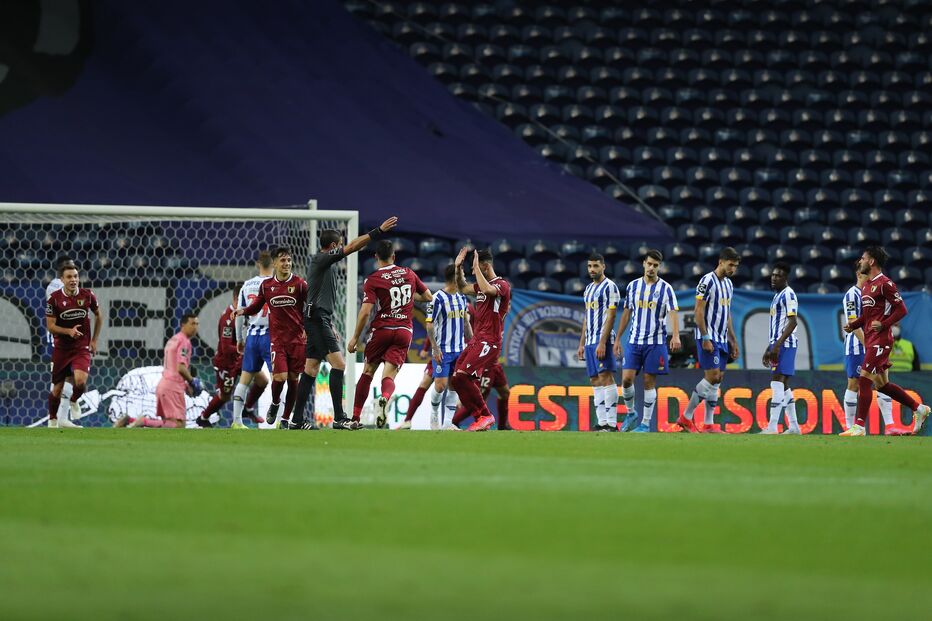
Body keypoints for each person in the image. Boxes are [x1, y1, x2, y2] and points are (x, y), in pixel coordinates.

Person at [291, 216, 399, 431]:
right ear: (333, 246)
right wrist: (377, 231)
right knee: (339, 365)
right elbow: (351, 247)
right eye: (339, 245)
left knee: (311, 368)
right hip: (316, 318)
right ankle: (339, 418)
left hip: (319, 318)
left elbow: (317, 298)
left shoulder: (324, 266)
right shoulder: (320, 259)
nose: (342, 248)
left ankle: (296, 419)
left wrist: (328, 324)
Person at [842, 246, 930, 436]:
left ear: (872, 261)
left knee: (864, 380)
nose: (860, 261)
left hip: (881, 340)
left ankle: (858, 426)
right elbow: (866, 316)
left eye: (863, 258)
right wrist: (853, 324)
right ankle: (919, 409)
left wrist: (884, 324)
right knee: (882, 385)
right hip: (871, 338)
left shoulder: (885, 284)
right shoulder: (866, 286)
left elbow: (902, 310)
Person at [348, 240, 431, 428]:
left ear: (376, 257)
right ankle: (384, 398)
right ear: (394, 256)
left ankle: (354, 418)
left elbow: (365, 311)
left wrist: (355, 337)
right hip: (403, 331)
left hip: (382, 330)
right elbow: (427, 297)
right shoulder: (408, 273)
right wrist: (409, 297)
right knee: (389, 376)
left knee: (368, 371)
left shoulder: (373, 279)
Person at [234, 246, 308, 428]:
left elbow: (311, 307)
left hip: (297, 340)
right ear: (274, 263)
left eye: (289, 260)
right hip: (277, 341)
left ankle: (284, 419)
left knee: (293, 380)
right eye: (283, 260)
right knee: (279, 377)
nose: (287, 263)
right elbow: (257, 305)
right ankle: (275, 404)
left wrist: (315, 326)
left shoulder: (300, 284)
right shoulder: (266, 286)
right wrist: (242, 311)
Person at [613, 249, 681, 433]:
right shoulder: (633, 286)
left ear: (659, 267)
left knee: (648, 381)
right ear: (644, 263)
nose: (651, 268)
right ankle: (631, 413)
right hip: (634, 341)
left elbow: (673, 311)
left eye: (655, 265)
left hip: (656, 342)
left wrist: (675, 335)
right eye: (649, 264)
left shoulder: (666, 288)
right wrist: (618, 338)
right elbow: (626, 313)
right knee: (626, 380)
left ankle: (645, 423)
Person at [677, 247, 740, 433]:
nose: (733, 269)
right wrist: (705, 337)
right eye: (730, 265)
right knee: (711, 376)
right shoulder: (706, 281)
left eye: (735, 266)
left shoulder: (729, 285)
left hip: (722, 338)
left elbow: (726, 314)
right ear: (721, 262)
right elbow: (698, 311)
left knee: (718, 378)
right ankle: (686, 417)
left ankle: (709, 424)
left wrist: (733, 340)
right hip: (708, 337)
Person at [449, 247, 512, 432]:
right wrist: (457, 268)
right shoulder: (480, 287)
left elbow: (488, 289)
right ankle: (482, 418)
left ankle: (484, 415)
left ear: (485, 266)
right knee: (457, 378)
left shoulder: (502, 285)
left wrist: (476, 268)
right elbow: (462, 287)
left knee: (463, 376)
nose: (472, 271)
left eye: (475, 267)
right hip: (477, 339)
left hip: (489, 340)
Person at [840, 266, 900, 435]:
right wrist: (869, 345)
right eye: (867, 274)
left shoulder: (872, 291)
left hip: (875, 344)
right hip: (857, 345)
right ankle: (849, 426)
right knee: (854, 383)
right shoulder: (852, 295)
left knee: (882, 382)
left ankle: (890, 426)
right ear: (859, 274)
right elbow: (854, 325)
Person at [45, 262, 102, 428]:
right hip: (61, 347)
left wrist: (94, 340)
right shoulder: (54, 297)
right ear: (61, 279)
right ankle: (54, 419)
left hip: (81, 346)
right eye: (69, 277)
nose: (73, 279)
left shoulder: (87, 295)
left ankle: (72, 402)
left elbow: (99, 315)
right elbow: (50, 326)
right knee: (57, 388)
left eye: (76, 276)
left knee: (80, 382)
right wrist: (68, 331)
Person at [131, 313, 202, 428]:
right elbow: (180, 367)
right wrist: (192, 381)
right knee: (178, 425)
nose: (195, 327)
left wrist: (185, 385)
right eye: (192, 323)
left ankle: (131, 420)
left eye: (197, 324)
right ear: (183, 325)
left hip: (165, 385)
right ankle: (143, 421)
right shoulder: (184, 342)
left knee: (168, 425)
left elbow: (173, 368)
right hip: (173, 388)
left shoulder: (173, 340)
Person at [577, 253, 621, 432]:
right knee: (594, 379)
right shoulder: (588, 289)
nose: (592, 270)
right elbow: (587, 318)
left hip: (603, 340)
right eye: (589, 266)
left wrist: (602, 342)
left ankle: (611, 423)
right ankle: (601, 422)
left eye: (595, 266)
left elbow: (611, 316)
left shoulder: (610, 287)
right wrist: (581, 343)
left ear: (603, 267)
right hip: (589, 341)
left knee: (605, 377)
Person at [230, 251, 274, 429]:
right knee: (278, 378)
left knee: (244, 380)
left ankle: (237, 421)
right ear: (274, 264)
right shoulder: (275, 284)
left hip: (252, 336)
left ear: (258, 264)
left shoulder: (246, 285)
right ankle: (280, 420)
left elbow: (239, 315)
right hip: (271, 335)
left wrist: (240, 338)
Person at [760, 262, 801, 434]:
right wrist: (768, 347)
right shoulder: (777, 296)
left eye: (778, 275)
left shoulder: (788, 295)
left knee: (776, 382)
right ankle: (794, 427)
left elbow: (792, 322)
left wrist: (776, 346)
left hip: (785, 344)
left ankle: (772, 426)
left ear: (785, 278)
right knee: (784, 386)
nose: (774, 278)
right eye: (773, 275)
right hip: (778, 344)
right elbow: (778, 325)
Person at [195, 291, 243, 428]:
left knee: (259, 378)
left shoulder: (241, 314)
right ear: (236, 298)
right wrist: (243, 350)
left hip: (237, 360)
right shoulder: (228, 319)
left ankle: (248, 410)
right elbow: (226, 347)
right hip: (226, 363)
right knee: (224, 395)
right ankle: (203, 418)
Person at [46, 255, 77, 423]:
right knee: (59, 376)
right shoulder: (55, 286)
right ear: (60, 270)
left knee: (71, 376)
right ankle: (54, 417)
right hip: (59, 336)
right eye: (67, 266)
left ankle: (64, 418)